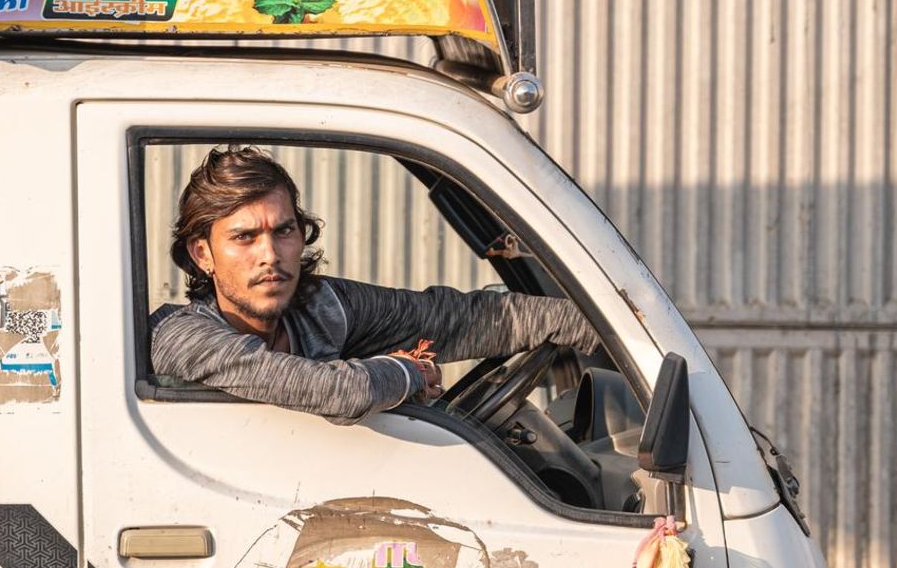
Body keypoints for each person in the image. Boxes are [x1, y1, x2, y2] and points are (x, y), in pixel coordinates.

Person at [149, 145, 599, 424]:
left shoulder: (321, 307)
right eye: (244, 237)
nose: (269, 254)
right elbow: (339, 391)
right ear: (202, 254)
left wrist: (606, 327)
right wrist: (406, 372)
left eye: (283, 231)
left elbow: (461, 319)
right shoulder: (181, 337)